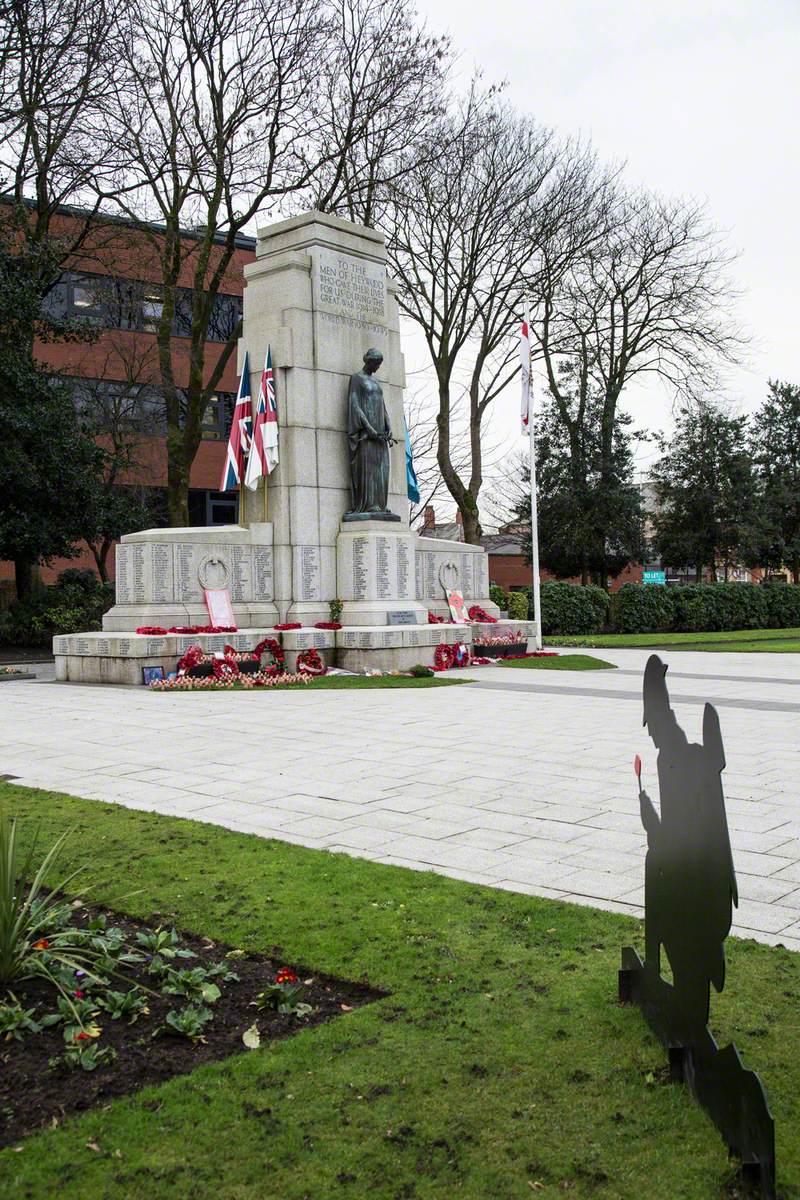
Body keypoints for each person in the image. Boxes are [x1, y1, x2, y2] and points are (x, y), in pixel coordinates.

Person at [639, 654, 738, 1025]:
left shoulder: (678, 759)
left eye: (652, 726)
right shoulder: (673, 758)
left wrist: (655, 827)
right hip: (689, 881)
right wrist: (654, 823)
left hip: (697, 890)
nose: (650, 734)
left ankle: (691, 1020)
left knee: (689, 958)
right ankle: (681, 1002)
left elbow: (683, 836)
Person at [344, 349, 399, 521]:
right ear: (369, 361)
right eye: (376, 363)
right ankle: (368, 505)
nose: (378, 367)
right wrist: (369, 428)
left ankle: (380, 505)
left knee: (381, 472)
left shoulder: (375, 382)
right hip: (367, 437)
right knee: (369, 471)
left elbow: (382, 406)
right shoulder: (357, 379)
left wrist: (388, 425)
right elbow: (355, 405)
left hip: (381, 436)